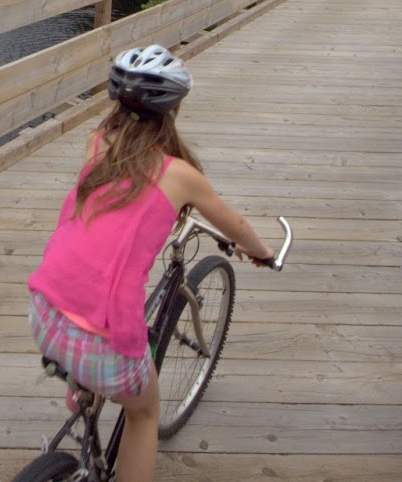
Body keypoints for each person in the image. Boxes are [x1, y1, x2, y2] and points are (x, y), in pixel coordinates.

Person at [27, 44, 274, 482]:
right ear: (171, 110)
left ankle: (81, 389)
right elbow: (233, 225)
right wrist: (261, 251)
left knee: (85, 300)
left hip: (43, 312)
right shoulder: (179, 175)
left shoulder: (96, 142)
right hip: (103, 342)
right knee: (144, 412)